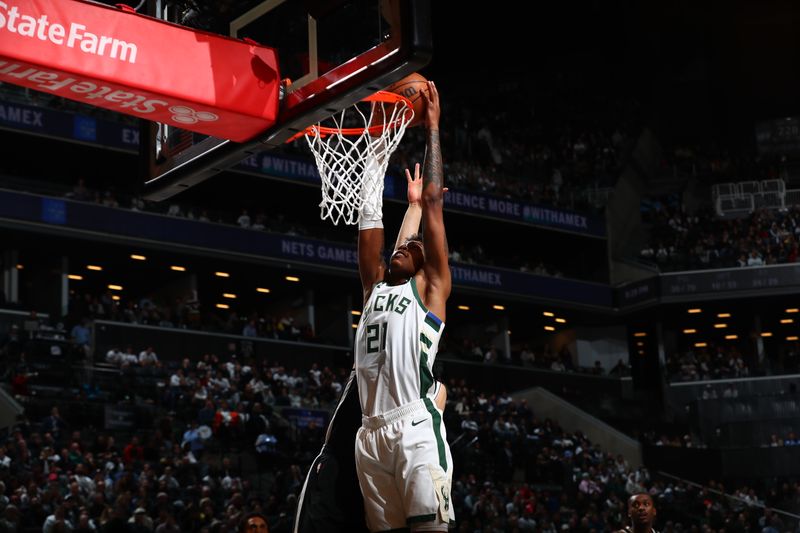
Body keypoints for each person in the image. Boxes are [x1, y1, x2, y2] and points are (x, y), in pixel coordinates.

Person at [293, 159, 449, 533]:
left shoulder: (421, 307)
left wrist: (420, 209)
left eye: (413, 249)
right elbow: (398, 256)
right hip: (362, 444)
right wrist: (411, 207)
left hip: (400, 432)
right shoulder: (378, 293)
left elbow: (412, 255)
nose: (405, 248)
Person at [353, 80, 453, 532]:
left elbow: (433, 202)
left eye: (412, 247)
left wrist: (431, 126)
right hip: (370, 434)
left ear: (423, 262)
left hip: (413, 428)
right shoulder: (375, 286)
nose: (403, 246)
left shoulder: (429, 290)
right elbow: (369, 212)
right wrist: (375, 144)